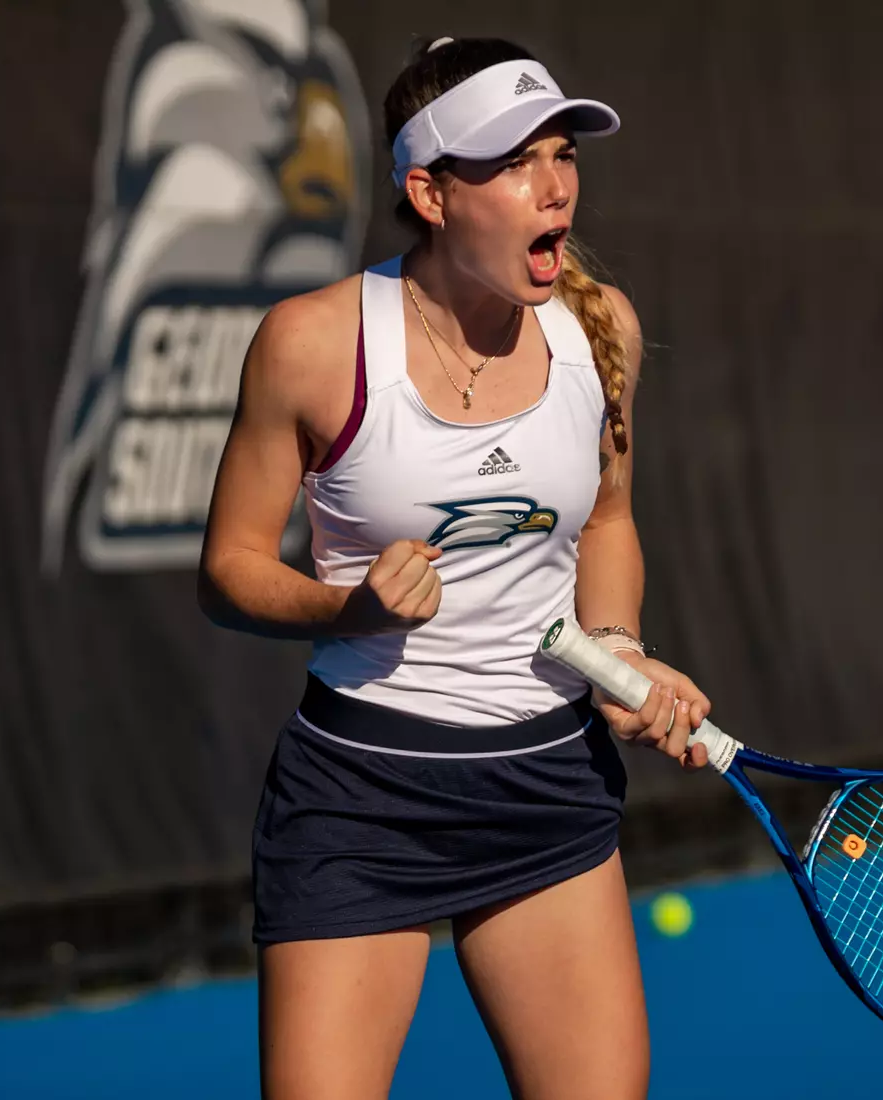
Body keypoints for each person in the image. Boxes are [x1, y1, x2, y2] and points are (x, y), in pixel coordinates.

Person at [198, 34, 713, 1100]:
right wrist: (348, 604)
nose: (554, 186)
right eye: (515, 161)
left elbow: (609, 523)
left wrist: (617, 646)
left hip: (548, 786)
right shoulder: (310, 344)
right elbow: (231, 568)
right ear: (431, 193)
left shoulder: (599, 327)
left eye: (563, 155)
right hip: (361, 797)